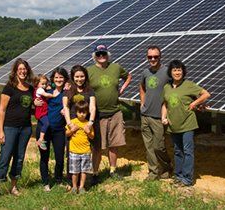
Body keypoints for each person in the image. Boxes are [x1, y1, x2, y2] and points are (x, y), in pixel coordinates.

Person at [161, 60, 211, 187]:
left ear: (183, 72)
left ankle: (187, 179)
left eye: (179, 70)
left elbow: (206, 94)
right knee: (178, 151)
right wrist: (163, 117)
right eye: (174, 70)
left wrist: (194, 103)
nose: (177, 72)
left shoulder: (188, 85)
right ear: (170, 72)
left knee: (188, 151)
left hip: (187, 123)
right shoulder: (167, 87)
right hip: (173, 125)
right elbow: (165, 104)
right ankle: (178, 176)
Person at [0, 58, 34, 201]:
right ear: (15, 71)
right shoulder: (9, 87)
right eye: (20, 69)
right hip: (10, 128)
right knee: (5, 157)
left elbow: (29, 108)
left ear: (27, 71)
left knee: (19, 158)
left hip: (26, 128)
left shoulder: (30, 88)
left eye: (24, 69)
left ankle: (13, 187)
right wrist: (0, 130)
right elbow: (2, 110)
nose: (22, 71)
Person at [87, 44, 132, 180]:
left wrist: (122, 88)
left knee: (114, 144)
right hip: (98, 114)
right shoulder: (89, 71)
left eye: (104, 54)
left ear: (108, 55)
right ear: (95, 56)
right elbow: (80, 84)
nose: (101, 56)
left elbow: (128, 76)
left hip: (115, 112)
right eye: (99, 54)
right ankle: (95, 172)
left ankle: (113, 170)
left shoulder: (116, 68)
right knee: (97, 146)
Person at [63, 65, 101, 185]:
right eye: (77, 76)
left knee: (87, 152)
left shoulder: (90, 90)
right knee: (71, 152)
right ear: (73, 77)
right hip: (73, 124)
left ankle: (85, 181)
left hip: (86, 124)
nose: (80, 79)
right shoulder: (68, 90)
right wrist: (69, 124)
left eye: (82, 76)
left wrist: (90, 123)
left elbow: (93, 107)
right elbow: (66, 107)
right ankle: (71, 182)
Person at [139, 45, 172, 181]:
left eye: (155, 56)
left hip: (159, 116)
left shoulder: (167, 72)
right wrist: (142, 103)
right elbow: (141, 87)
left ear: (160, 56)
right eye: (150, 57)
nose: (153, 59)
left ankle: (166, 167)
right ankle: (153, 172)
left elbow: (174, 89)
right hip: (145, 115)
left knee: (159, 146)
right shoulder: (145, 72)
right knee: (148, 146)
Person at [35, 67, 69, 191]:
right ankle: (45, 182)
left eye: (61, 77)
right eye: (56, 77)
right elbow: (35, 95)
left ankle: (58, 179)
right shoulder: (47, 90)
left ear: (65, 79)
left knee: (60, 157)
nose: (59, 79)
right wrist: (35, 103)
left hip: (59, 130)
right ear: (53, 79)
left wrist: (65, 109)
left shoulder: (67, 93)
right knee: (44, 157)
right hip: (44, 129)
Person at [66, 101, 95, 194]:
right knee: (75, 171)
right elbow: (66, 134)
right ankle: (74, 187)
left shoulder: (88, 124)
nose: (82, 114)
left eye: (84, 112)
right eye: (80, 112)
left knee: (84, 171)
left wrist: (88, 131)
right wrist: (71, 130)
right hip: (74, 151)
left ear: (87, 113)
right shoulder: (73, 122)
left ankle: (81, 187)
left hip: (86, 151)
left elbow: (92, 136)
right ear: (76, 112)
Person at [33, 74, 55, 150]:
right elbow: (46, 94)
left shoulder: (39, 89)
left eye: (45, 84)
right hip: (41, 112)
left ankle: (42, 138)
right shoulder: (40, 90)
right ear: (37, 83)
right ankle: (41, 139)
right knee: (46, 123)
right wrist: (53, 95)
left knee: (46, 123)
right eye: (42, 84)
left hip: (43, 112)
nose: (44, 86)